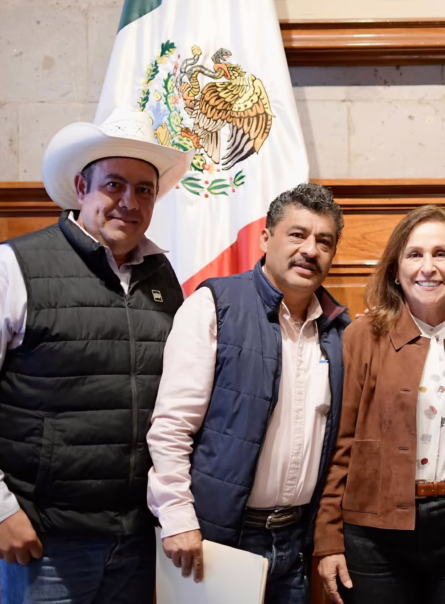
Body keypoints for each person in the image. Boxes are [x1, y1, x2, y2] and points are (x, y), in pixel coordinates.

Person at [0, 108, 192, 603]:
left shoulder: (163, 280)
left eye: (144, 189)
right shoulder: (13, 265)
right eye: (114, 185)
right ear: (81, 188)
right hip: (46, 541)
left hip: (137, 539)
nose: (129, 202)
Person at [146, 183, 349, 604]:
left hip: (294, 545)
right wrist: (178, 518)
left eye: (324, 241)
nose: (310, 250)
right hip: (215, 542)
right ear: (265, 238)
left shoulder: (338, 332)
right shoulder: (214, 305)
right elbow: (171, 427)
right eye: (297, 234)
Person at [315, 205, 445, 604]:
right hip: (376, 535)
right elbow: (341, 444)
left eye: (441, 254)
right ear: (395, 268)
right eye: (415, 254)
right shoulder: (361, 337)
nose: (429, 267)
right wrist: (328, 540)